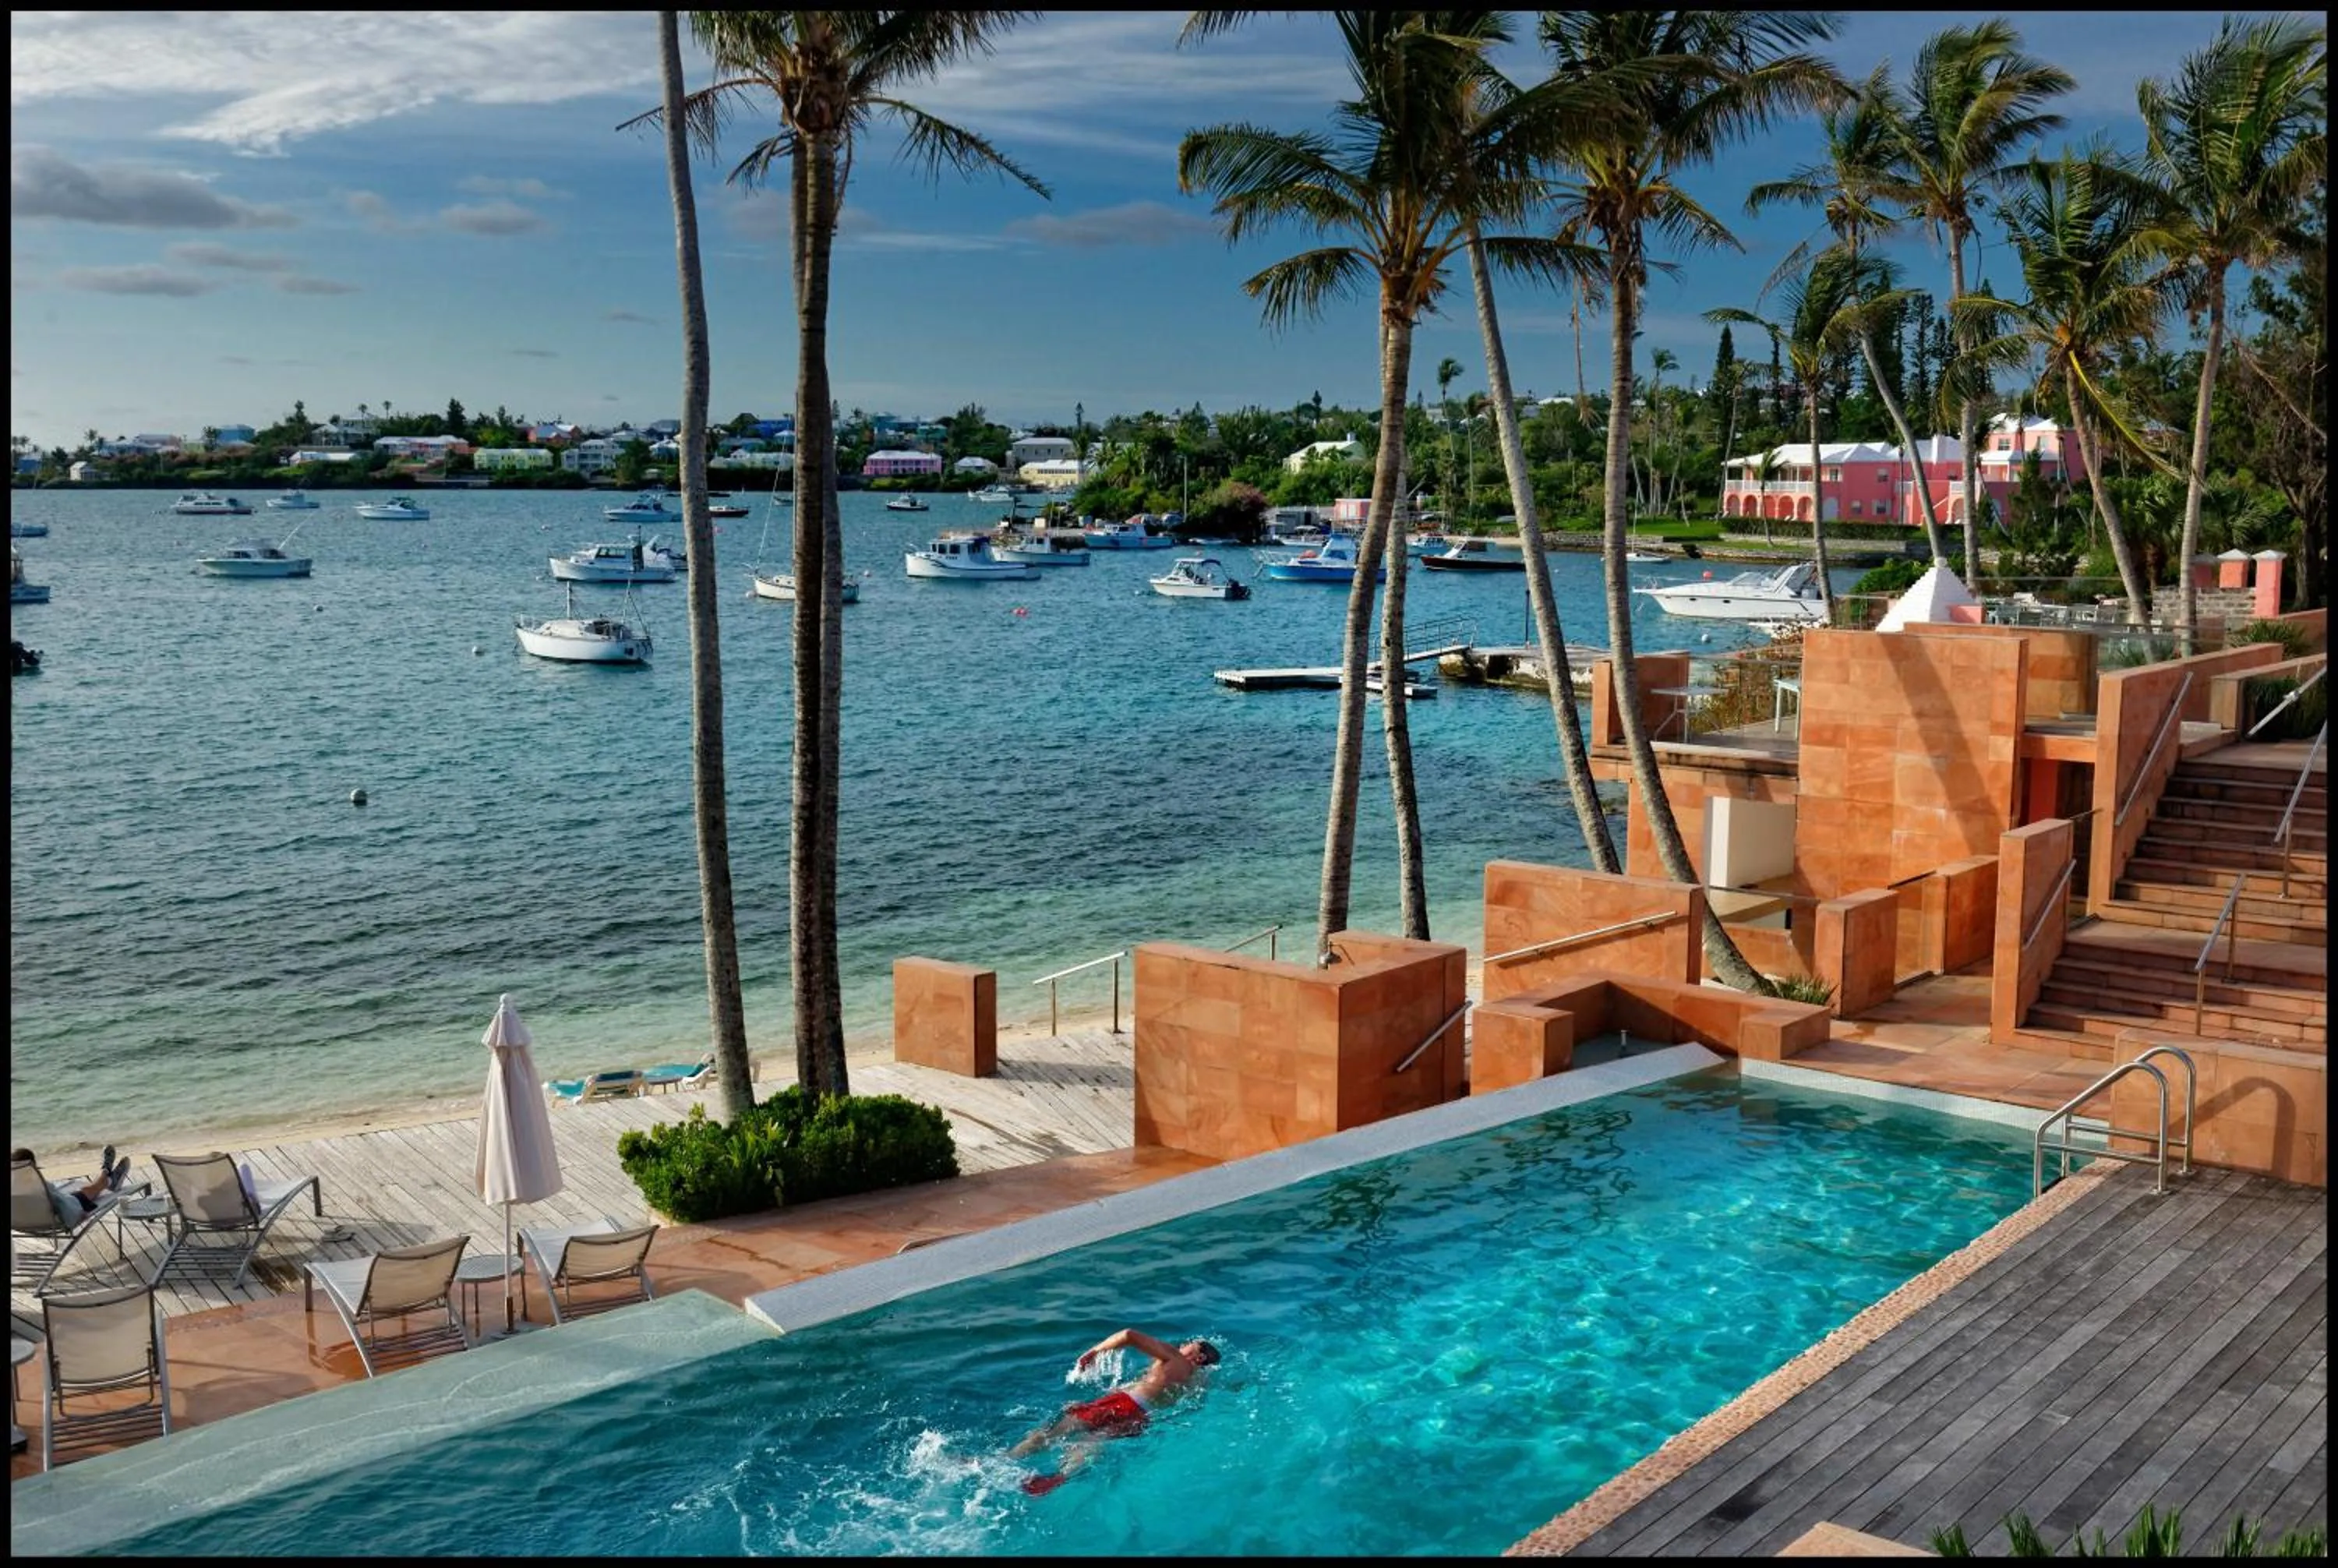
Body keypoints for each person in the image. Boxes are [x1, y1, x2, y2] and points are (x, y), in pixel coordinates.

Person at [1009, 1327, 1220, 1496]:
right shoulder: (1199, 1381)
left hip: (1123, 1403)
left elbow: (1129, 1335)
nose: (1183, 1345)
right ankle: (1061, 1477)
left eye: (1190, 1345)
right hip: (1143, 1418)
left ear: (1199, 1357)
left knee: (1049, 1434)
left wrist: (1094, 1351)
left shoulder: (1176, 1358)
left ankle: (1009, 1459)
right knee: (1093, 1441)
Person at [13, 1145, 129, 1228]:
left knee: (78, 1193)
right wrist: (78, 1214)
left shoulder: (13, 1191)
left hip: (22, 1225)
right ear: (32, 1166)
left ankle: (107, 1175)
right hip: (57, 1220)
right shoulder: (41, 1187)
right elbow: (64, 1206)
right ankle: (107, 1176)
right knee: (85, 1192)